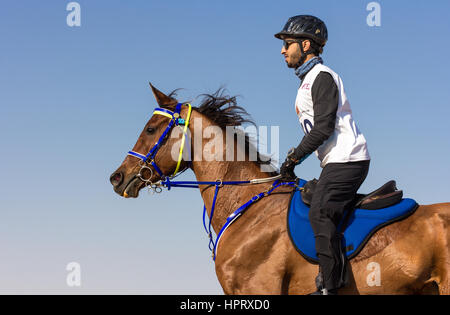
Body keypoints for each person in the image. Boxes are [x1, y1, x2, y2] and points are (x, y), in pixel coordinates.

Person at [275, 15, 371, 295]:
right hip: (335, 161)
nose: (283, 50)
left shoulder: (322, 76)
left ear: (306, 45)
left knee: (319, 213)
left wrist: (293, 159)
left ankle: (331, 287)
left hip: (348, 159)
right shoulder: (307, 81)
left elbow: (324, 128)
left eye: (288, 44)